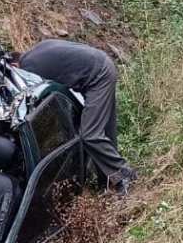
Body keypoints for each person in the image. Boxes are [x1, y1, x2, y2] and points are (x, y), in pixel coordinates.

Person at [12, 40, 136, 194]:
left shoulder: (28, 69)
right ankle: (109, 183)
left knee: (90, 134)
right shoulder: (35, 52)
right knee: (103, 130)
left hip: (98, 75)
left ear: (15, 66)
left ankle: (124, 174)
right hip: (100, 65)